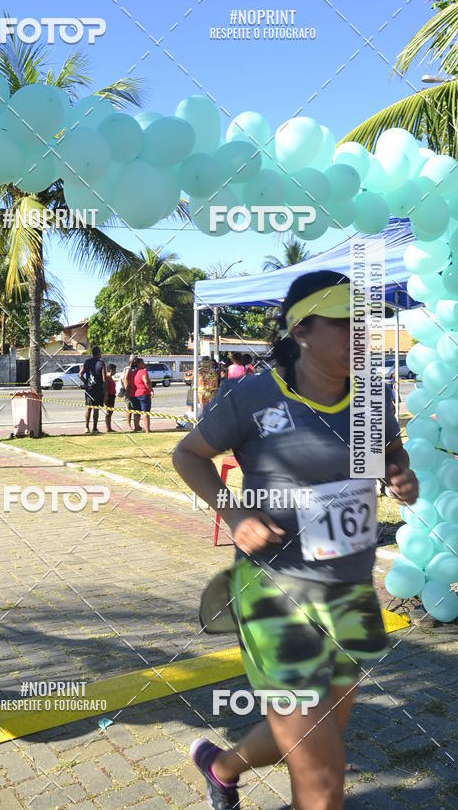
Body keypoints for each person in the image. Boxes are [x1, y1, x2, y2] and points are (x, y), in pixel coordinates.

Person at [172, 270, 418, 810]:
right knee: (324, 772)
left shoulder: (373, 398)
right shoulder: (252, 395)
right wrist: (236, 516)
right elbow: (187, 455)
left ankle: (220, 766)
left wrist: (399, 473)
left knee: (319, 728)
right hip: (275, 591)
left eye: (365, 324)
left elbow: (386, 455)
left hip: (350, 591)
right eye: (344, 324)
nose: (361, 335)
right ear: (301, 331)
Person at [79, 345, 106, 435]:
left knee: (88, 408)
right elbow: (104, 379)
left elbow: (80, 374)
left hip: (89, 389)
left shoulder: (87, 362)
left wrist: (86, 383)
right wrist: (105, 391)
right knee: (96, 409)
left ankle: (86, 427)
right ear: (98, 353)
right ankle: (94, 428)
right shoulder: (101, 363)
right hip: (98, 389)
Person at [130, 357, 154, 433]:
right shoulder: (143, 372)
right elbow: (146, 381)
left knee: (136, 412)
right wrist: (151, 390)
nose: (144, 364)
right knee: (145, 412)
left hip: (134, 394)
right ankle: (147, 429)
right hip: (143, 393)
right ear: (139, 364)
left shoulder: (133, 372)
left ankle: (136, 427)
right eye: (143, 363)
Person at [121, 354, 137, 431]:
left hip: (134, 392)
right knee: (129, 409)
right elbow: (125, 380)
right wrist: (127, 392)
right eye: (136, 361)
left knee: (134, 409)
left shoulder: (134, 369)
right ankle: (128, 425)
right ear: (133, 361)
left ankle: (136, 425)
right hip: (129, 393)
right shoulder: (128, 369)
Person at [105, 363, 117, 432]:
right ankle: (108, 428)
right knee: (108, 413)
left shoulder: (111, 377)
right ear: (110, 370)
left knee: (110, 412)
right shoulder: (107, 377)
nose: (115, 371)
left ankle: (109, 428)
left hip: (112, 395)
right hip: (109, 396)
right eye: (114, 370)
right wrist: (106, 397)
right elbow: (106, 388)